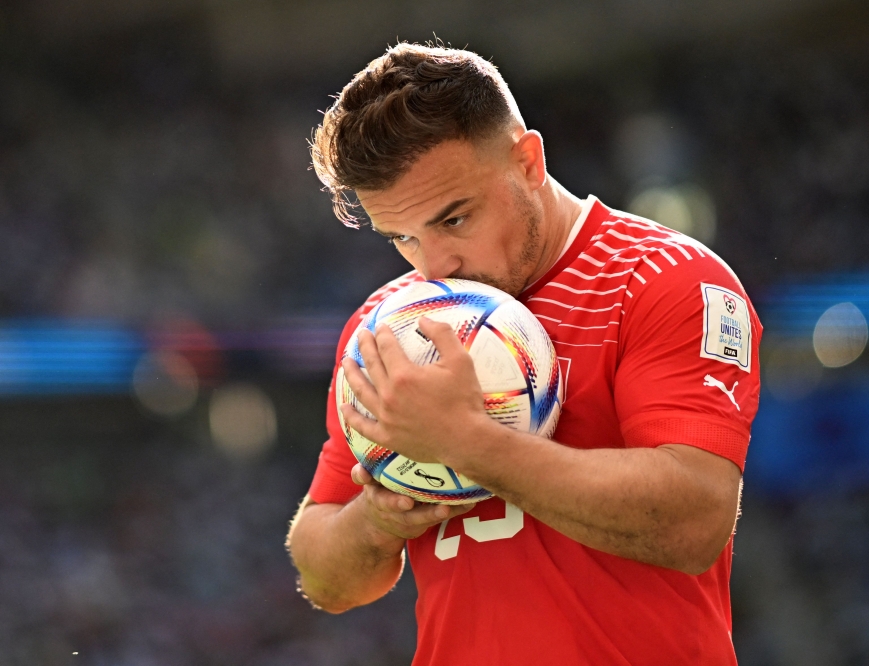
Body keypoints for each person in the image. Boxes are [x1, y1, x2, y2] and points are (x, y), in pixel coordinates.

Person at [287, 42, 762, 665]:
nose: (435, 265)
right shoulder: (390, 328)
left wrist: (466, 443)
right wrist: (379, 520)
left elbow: (693, 519)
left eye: (454, 220)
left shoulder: (664, 280)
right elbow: (327, 580)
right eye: (402, 237)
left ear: (528, 160)